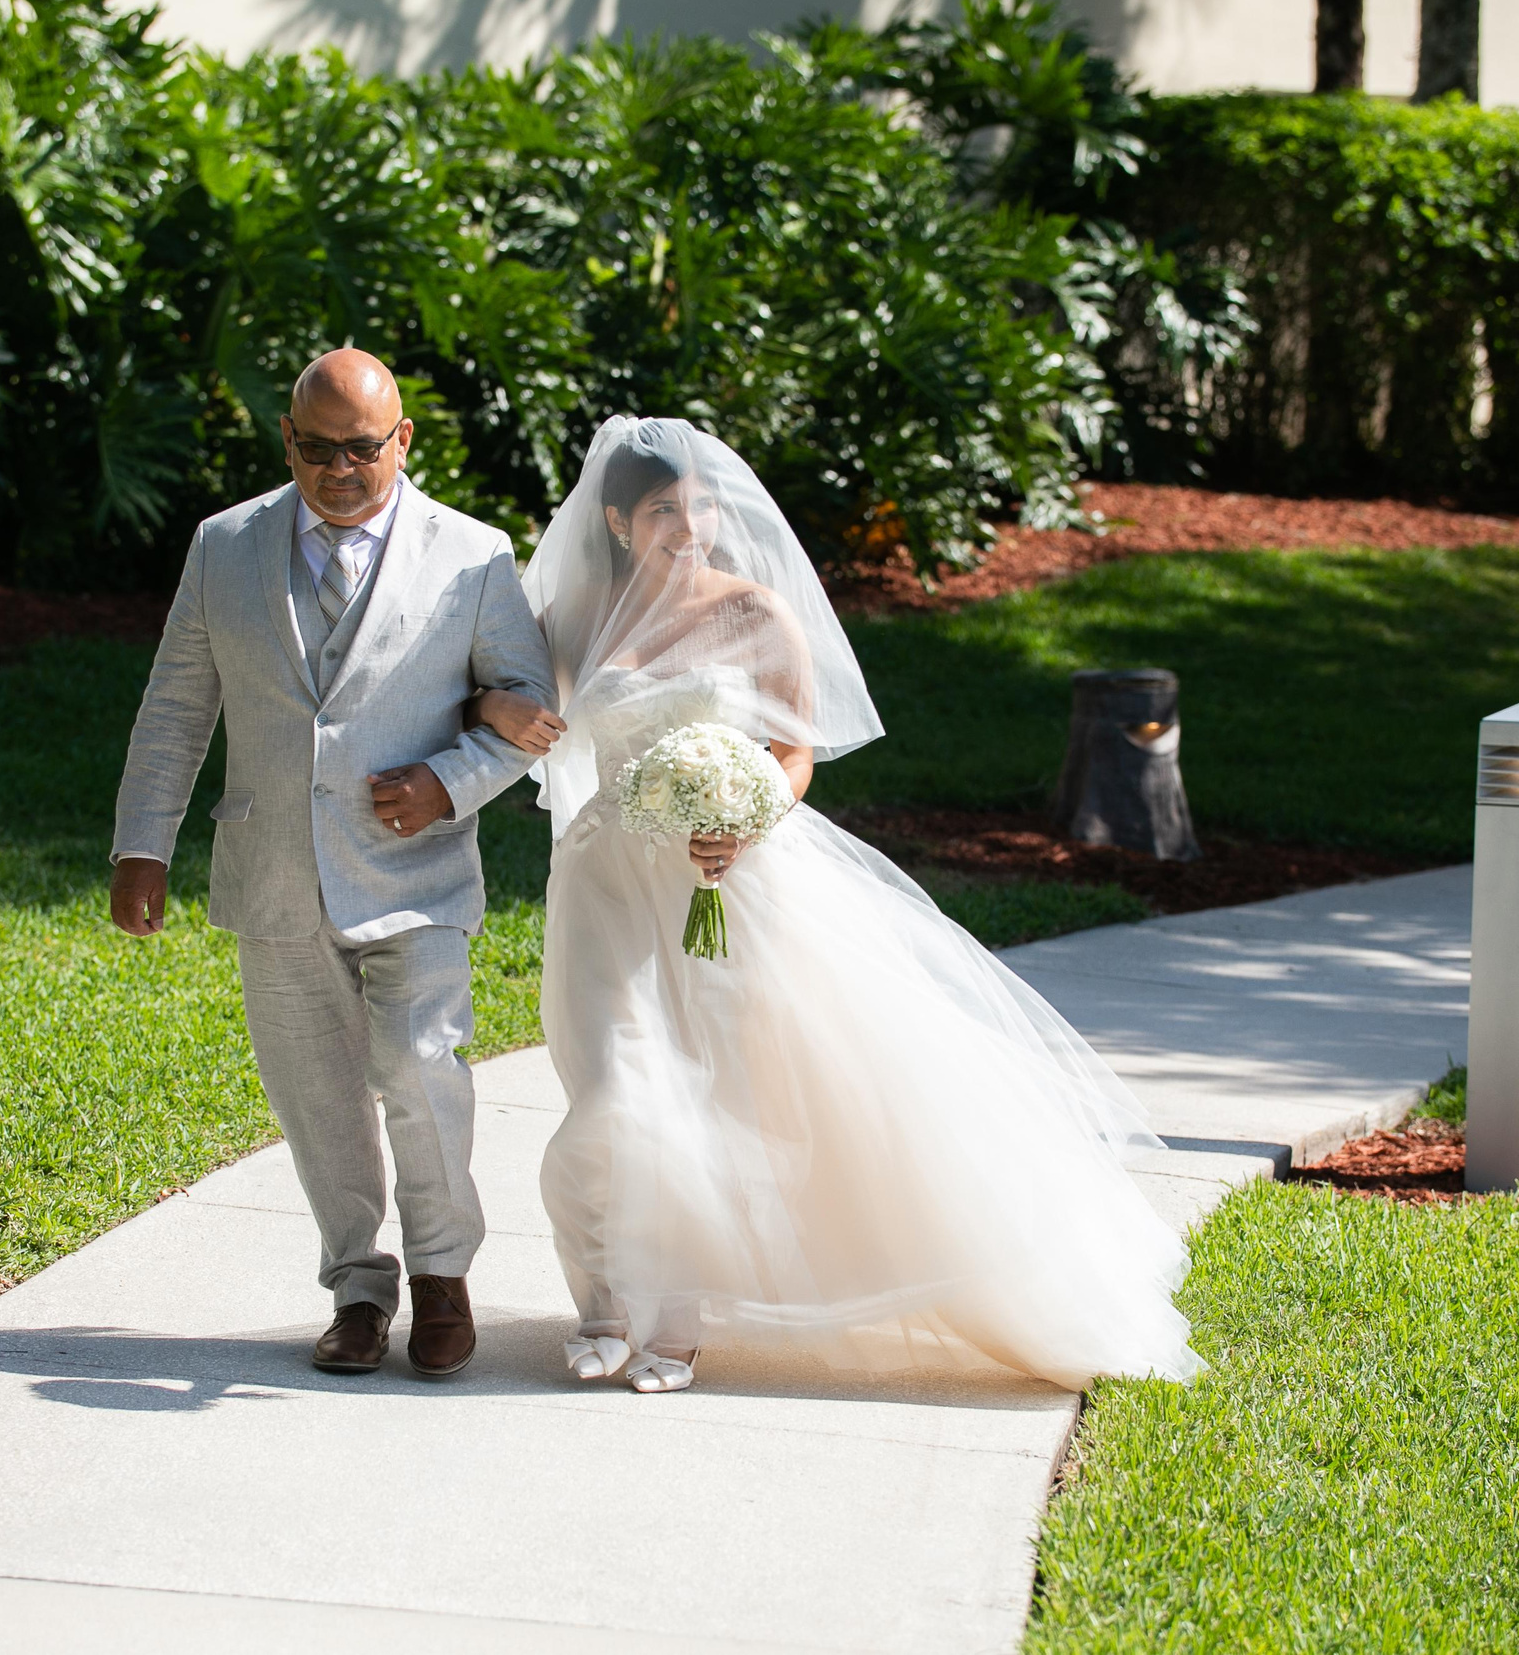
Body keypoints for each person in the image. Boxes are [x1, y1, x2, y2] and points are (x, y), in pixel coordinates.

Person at [469, 417, 1204, 1394]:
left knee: (698, 1097)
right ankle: (603, 1302)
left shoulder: (755, 614)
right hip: (606, 877)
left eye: (701, 505)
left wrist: (747, 810)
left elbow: (794, 751)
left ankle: (672, 1320)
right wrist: (500, 712)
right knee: (610, 1088)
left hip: (729, 877)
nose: (689, 525)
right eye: (662, 510)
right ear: (615, 518)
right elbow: (492, 692)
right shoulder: (575, 612)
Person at [109, 349, 556, 1378]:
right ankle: (358, 1285)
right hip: (272, 867)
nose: (342, 469)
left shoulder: (476, 555)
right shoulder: (226, 546)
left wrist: (451, 780)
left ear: (402, 440)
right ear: (287, 442)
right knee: (315, 1096)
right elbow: (178, 704)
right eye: (319, 450)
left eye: (364, 448)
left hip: (417, 875)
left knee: (418, 1067)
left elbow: (528, 711)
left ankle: (443, 1276)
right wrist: (144, 841)